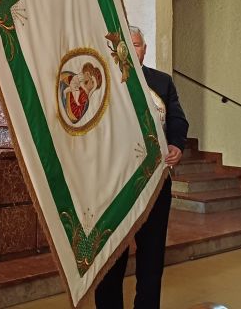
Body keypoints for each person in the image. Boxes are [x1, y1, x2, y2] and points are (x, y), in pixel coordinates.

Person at [94, 26, 189, 309]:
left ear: (144, 49)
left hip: (155, 182)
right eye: (127, 44)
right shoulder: (106, 80)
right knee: (111, 259)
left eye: (136, 45)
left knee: (151, 258)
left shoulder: (162, 81)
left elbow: (178, 119)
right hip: (113, 184)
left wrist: (177, 144)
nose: (132, 49)